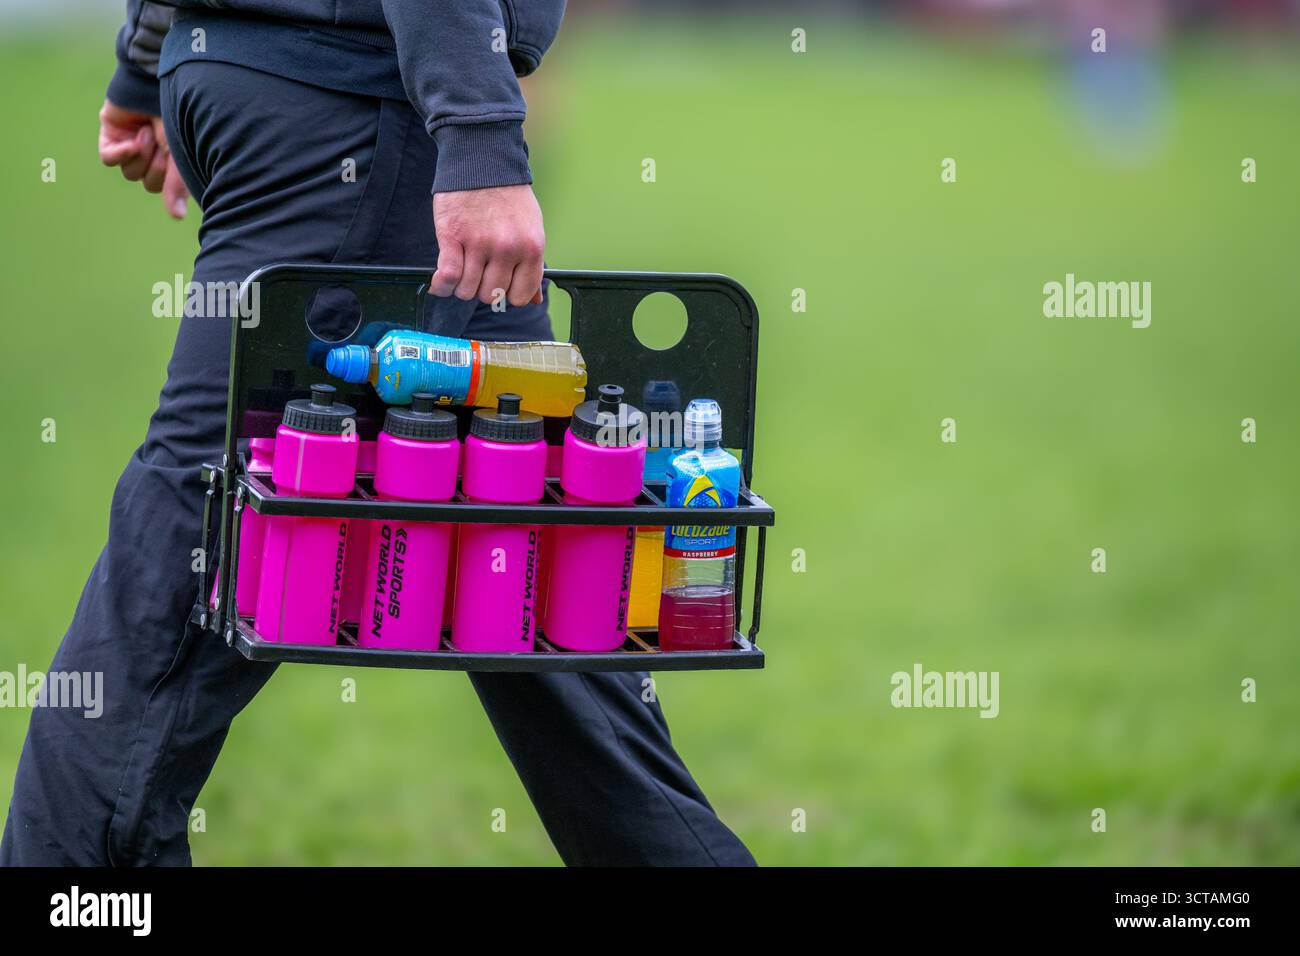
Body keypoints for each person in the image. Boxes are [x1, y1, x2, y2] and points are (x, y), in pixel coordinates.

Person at [1, 0, 754, 867]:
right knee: (192, 545)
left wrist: (150, 57)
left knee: (539, 570)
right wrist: (479, 138)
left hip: (305, 100)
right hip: (354, 118)